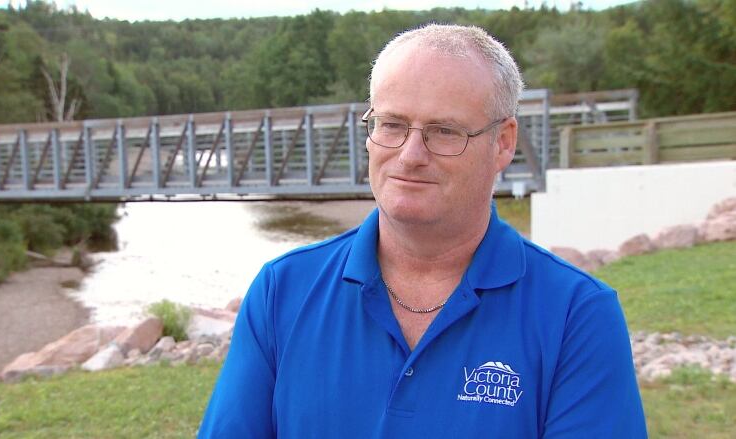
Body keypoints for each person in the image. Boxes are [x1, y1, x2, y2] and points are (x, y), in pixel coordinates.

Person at [198, 24, 646, 438]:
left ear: (504, 142)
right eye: (391, 124)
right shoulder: (282, 292)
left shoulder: (577, 316)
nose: (411, 154)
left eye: (444, 131)